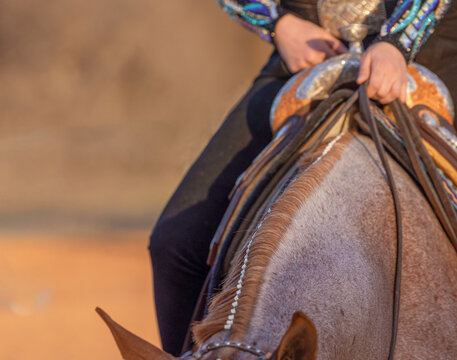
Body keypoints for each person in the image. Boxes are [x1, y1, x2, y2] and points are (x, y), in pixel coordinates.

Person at [149, 0, 456, 355]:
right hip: (303, 58)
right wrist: (278, 25)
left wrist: (399, 41)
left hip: (432, 51)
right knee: (175, 246)